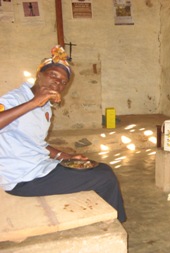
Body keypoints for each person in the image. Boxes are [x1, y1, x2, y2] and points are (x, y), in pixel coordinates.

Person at [0, 45, 126, 222]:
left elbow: (37, 143)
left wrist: (65, 156)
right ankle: (113, 224)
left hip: (40, 167)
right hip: (24, 179)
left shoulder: (46, 105)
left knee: (98, 167)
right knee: (105, 178)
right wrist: (33, 103)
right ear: (39, 74)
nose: (57, 83)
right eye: (53, 75)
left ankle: (104, 217)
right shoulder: (16, 99)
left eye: (63, 82)